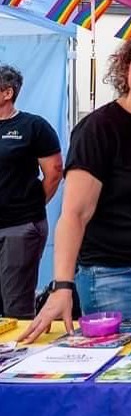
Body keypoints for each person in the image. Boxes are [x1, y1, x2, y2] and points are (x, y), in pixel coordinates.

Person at [21, 30, 131, 342]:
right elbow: (74, 215)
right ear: (126, 66)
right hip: (118, 278)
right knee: (130, 379)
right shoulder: (98, 129)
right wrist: (62, 285)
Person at [0, 65, 62, 318]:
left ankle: (16, 354)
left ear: (7, 93)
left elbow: (54, 172)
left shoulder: (33, 126)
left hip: (19, 227)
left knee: (15, 304)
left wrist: (31, 208)